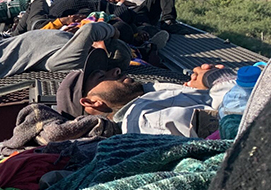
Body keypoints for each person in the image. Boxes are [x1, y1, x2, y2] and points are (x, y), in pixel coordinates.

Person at [56, 58, 236, 137]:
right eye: (102, 76)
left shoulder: (146, 103)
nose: (116, 70)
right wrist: (218, 79)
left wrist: (199, 88)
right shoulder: (146, 120)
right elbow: (236, 124)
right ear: (91, 102)